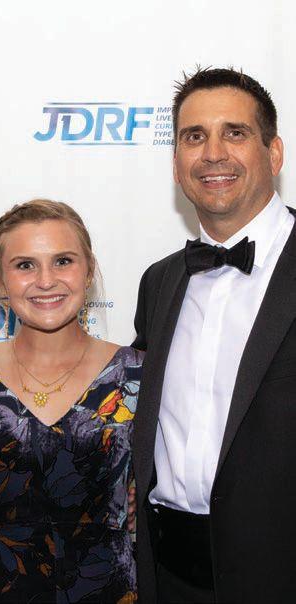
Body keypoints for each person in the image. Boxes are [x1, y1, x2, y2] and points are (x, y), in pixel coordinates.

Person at [132, 67, 296, 603]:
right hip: (170, 579)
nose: (213, 154)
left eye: (235, 133)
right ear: (176, 162)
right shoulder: (159, 283)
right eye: (194, 136)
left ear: (274, 153)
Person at [0, 199, 143, 603]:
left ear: (89, 271)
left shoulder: (139, 375)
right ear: (1, 280)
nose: (45, 280)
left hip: (109, 591)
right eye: (25, 265)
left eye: (63, 261)